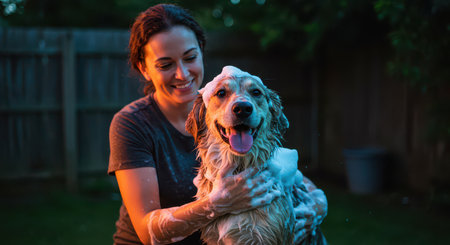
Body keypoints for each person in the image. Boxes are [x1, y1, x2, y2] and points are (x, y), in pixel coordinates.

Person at [108, 3, 327, 245]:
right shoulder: (132, 124)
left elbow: (287, 173)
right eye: (165, 64)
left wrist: (319, 204)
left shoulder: (237, 119)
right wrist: (219, 202)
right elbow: (146, 229)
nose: (182, 74)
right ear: (144, 69)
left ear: (201, 52)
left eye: (190, 57)